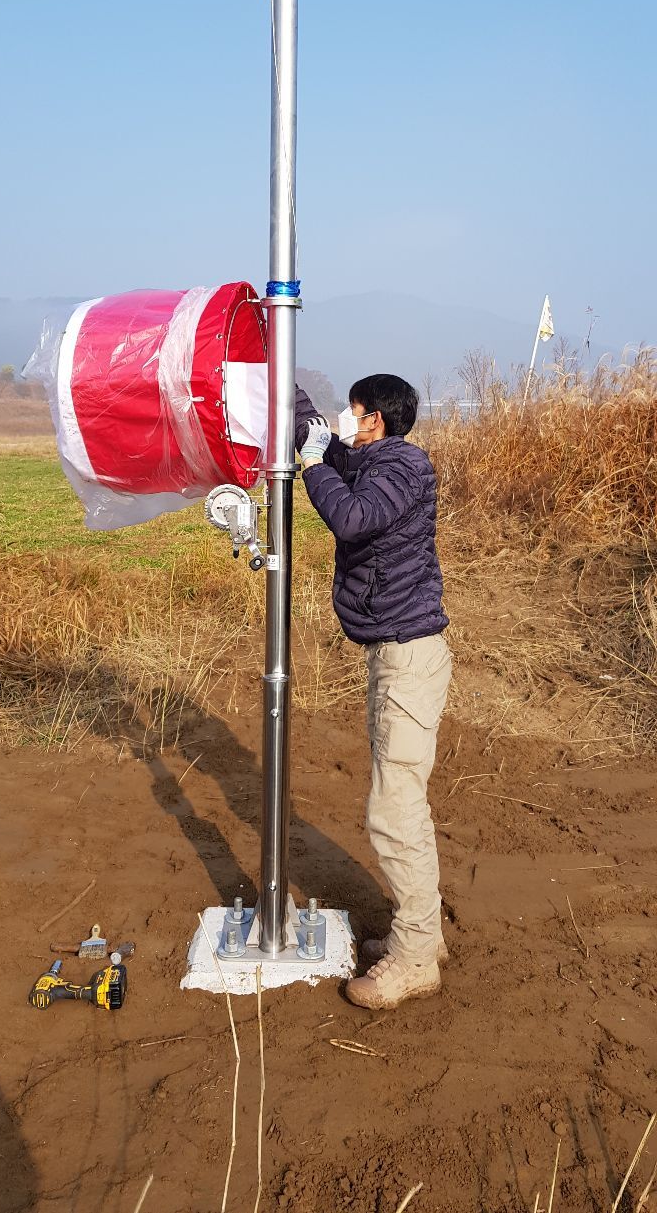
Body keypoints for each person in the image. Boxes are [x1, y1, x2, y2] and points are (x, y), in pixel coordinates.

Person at [295, 373, 451, 1010]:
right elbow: (331, 450)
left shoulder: (402, 468)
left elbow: (353, 518)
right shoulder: (375, 462)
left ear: (374, 421)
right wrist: (282, 378)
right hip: (396, 654)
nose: (343, 420)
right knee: (400, 800)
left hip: (409, 659)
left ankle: (414, 960)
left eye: (351, 412)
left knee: (395, 810)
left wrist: (311, 466)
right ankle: (424, 935)